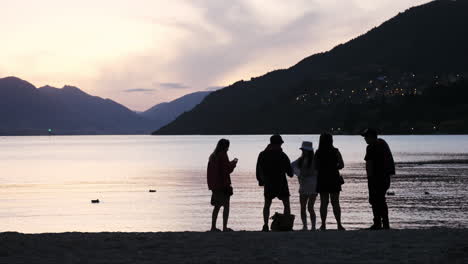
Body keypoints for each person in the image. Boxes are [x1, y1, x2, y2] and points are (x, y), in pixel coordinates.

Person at [256, 134, 293, 232]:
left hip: (269, 183)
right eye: (280, 143)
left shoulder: (262, 154)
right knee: (286, 204)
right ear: (279, 143)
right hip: (281, 183)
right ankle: (286, 225)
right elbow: (290, 172)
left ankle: (265, 225)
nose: (281, 145)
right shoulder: (283, 155)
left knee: (267, 205)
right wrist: (291, 172)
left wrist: (260, 180)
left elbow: (258, 169)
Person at [361, 128, 395, 230]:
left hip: (375, 178)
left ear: (371, 137)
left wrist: (369, 178)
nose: (365, 139)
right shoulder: (383, 143)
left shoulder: (370, 147)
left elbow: (369, 164)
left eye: (366, 137)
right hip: (385, 177)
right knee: (381, 200)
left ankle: (377, 223)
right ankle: (385, 223)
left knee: (374, 200)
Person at [315, 133, 345, 231]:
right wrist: (334, 167)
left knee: (324, 203)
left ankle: (323, 225)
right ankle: (339, 224)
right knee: (335, 202)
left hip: (322, 178)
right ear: (331, 140)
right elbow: (341, 165)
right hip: (334, 178)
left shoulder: (318, 152)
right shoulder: (335, 151)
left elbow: (315, 167)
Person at [207, 138, 238, 232]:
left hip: (215, 185)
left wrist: (211, 186)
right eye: (227, 146)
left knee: (217, 206)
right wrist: (234, 163)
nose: (228, 148)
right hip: (223, 184)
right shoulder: (223, 155)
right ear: (225, 147)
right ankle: (224, 227)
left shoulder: (212, 156)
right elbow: (227, 170)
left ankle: (213, 227)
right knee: (226, 206)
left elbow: (210, 172)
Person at [291, 141, 318, 231]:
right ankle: (306, 226)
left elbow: (315, 172)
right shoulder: (301, 160)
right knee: (304, 207)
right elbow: (291, 166)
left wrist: (300, 173)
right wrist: (299, 173)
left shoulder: (313, 160)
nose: (304, 151)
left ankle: (312, 226)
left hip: (312, 186)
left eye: (305, 150)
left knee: (310, 207)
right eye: (303, 150)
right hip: (305, 185)